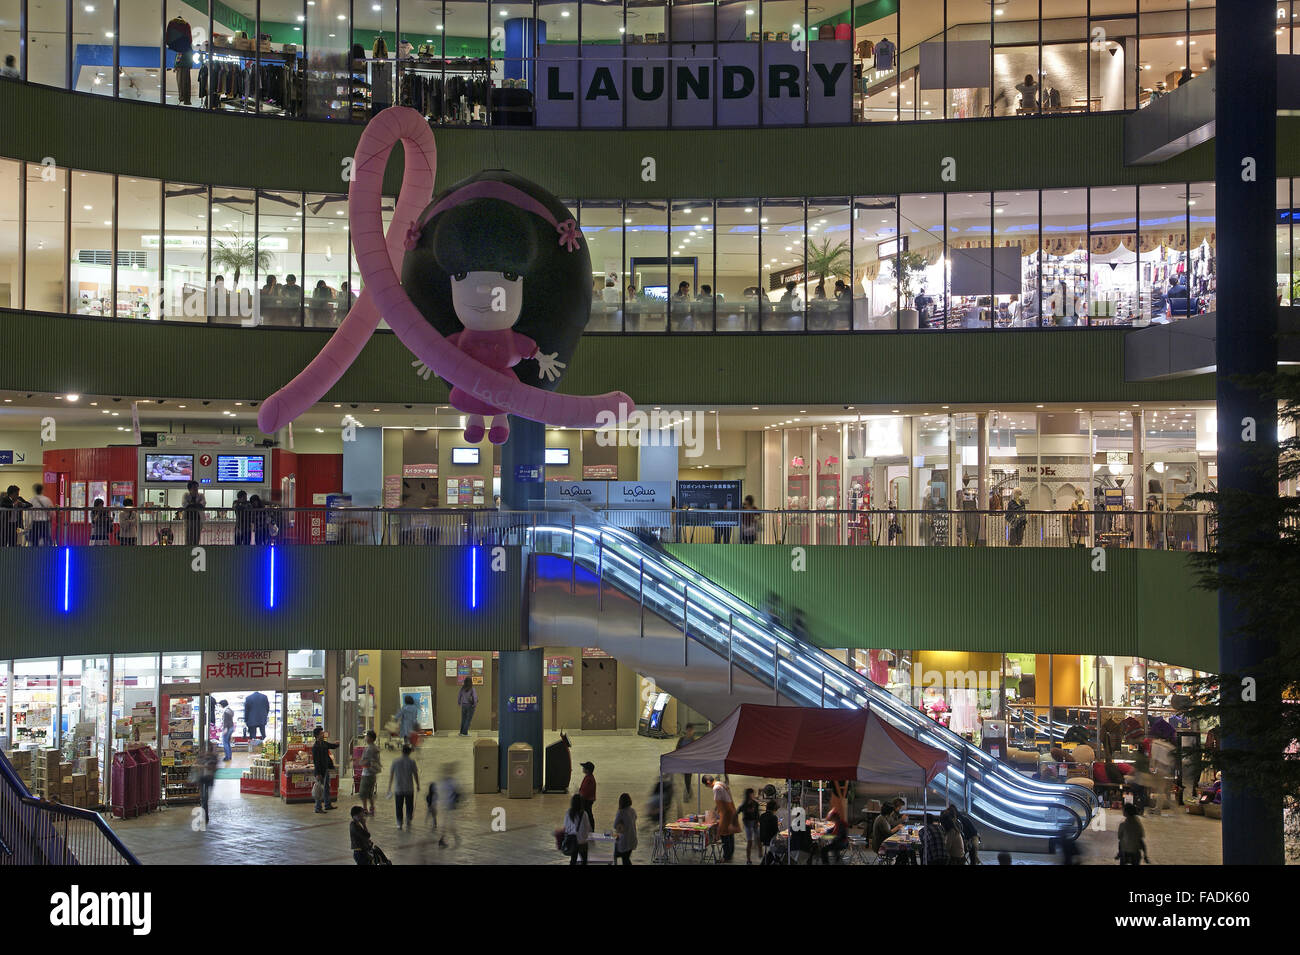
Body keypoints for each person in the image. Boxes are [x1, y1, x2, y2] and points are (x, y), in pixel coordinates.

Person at [703, 774, 740, 862]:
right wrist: (715, 810)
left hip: (726, 813)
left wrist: (719, 819)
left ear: (708, 782)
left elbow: (720, 805)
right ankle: (729, 856)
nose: (707, 787)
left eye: (706, 785)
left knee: (724, 836)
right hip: (731, 811)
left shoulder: (716, 788)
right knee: (730, 835)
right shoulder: (722, 784)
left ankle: (726, 858)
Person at [386, 743, 419, 829]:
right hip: (409, 788)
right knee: (409, 805)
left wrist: (389, 787)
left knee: (399, 806)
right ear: (409, 752)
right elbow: (415, 774)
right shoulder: (412, 762)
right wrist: (418, 785)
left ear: (402, 751)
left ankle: (399, 823)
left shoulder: (395, 761)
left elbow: (391, 775)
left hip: (398, 788)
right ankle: (408, 820)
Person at [311, 726, 338, 812]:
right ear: (317, 735)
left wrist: (337, 744)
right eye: (321, 733)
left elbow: (332, 746)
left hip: (325, 769)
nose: (323, 734)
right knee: (319, 789)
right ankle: (318, 807)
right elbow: (316, 761)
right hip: (320, 771)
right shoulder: (315, 747)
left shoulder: (324, 743)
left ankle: (327, 804)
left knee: (326, 787)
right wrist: (318, 774)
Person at [562, 793, 591, 864]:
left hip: (572, 840)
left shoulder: (568, 813)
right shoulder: (584, 814)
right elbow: (587, 828)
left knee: (573, 860)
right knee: (584, 861)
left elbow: (566, 827)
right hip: (582, 841)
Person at [193, 748, 217, 827]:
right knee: (204, 798)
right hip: (202, 779)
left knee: (205, 798)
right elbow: (195, 765)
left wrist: (201, 766)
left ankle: (205, 815)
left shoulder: (213, 757)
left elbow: (213, 767)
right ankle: (205, 815)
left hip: (208, 779)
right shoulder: (200, 757)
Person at [613, 792, 638, 865]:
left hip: (624, 840)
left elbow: (615, 825)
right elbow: (635, 819)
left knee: (624, 859)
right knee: (626, 858)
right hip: (632, 838)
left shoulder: (621, 812)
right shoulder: (633, 811)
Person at [674, 724, 697, 803]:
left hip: (689, 763)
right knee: (685, 780)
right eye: (689, 730)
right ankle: (689, 792)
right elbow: (677, 749)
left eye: (691, 730)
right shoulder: (681, 739)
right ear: (687, 730)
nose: (690, 732)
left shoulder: (693, 741)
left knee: (687, 779)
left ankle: (686, 795)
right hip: (681, 762)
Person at [739, 787, 761, 863]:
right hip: (748, 823)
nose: (752, 795)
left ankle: (760, 852)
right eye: (751, 794)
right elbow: (737, 812)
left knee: (758, 838)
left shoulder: (755, 803)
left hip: (754, 823)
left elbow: (757, 814)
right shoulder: (744, 805)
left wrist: (758, 821)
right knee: (750, 841)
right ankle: (748, 859)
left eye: (752, 794)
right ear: (748, 795)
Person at [181, 480, 205, 546]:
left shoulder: (201, 495)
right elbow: (185, 505)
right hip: (188, 520)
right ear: (189, 489)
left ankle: (195, 551)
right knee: (188, 538)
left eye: (197, 487)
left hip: (198, 520)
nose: (196, 489)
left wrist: (190, 504)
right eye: (194, 487)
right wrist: (197, 504)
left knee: (196, 539)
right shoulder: (185, 495)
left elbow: (203, 505)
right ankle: (187, 552)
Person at [577, 760, 597, 830]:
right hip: (587, 799)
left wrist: (580, 795)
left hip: (587, 800)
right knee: (587, 814)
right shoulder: (588, 777)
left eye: (584, 768)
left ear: (587, 770)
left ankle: (590, 828)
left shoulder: (589, 779)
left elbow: (585, 791)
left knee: (587, 814)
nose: (583, 769)